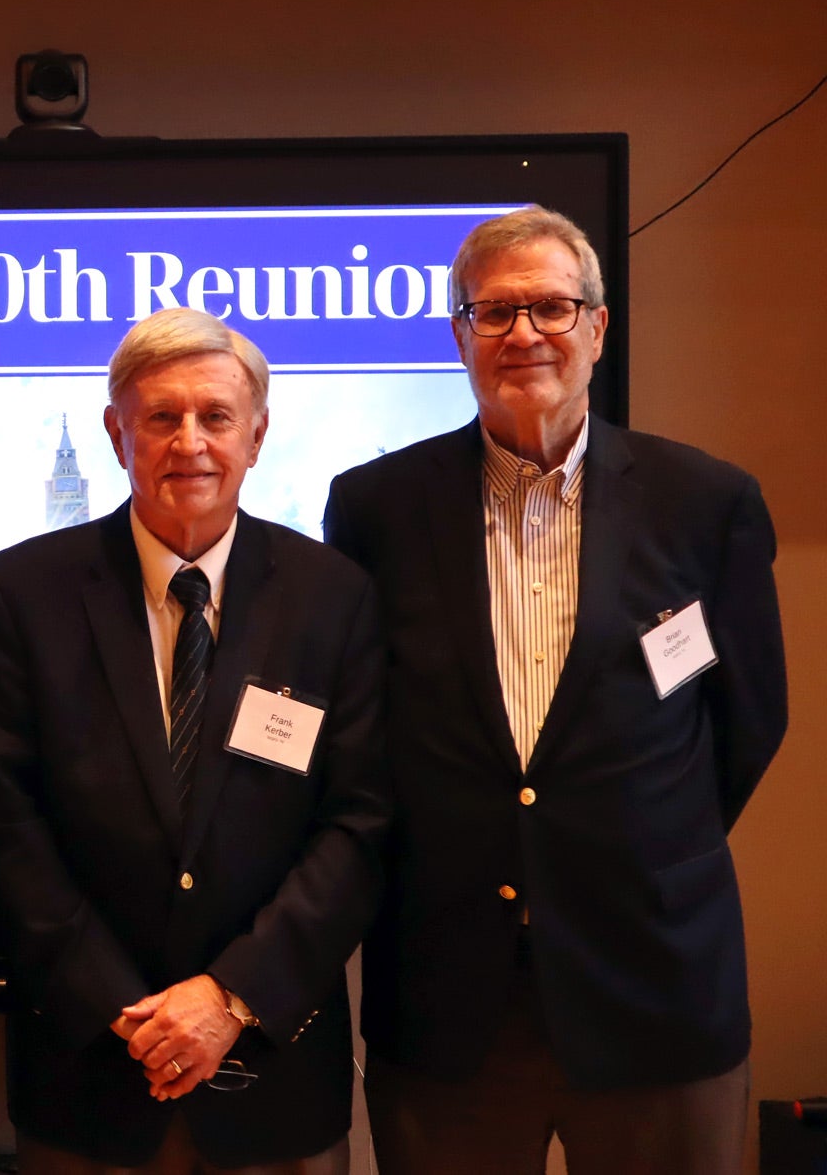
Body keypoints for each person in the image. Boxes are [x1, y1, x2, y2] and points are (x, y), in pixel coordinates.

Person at [323, 205, 786, 1175]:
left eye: (548, 306)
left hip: (654, 986)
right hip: (449, 998)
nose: (522, 333)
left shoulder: (705, 502)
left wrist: (637, 839)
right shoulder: (374, 510)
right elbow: (356, 731)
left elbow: (747, 721)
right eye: (491, 313)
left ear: (597, 326)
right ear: (457, 337)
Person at [0, 308, 390, 1175]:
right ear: (118, 434)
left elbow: (361, 821)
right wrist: (125, 1007)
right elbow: (2, 823)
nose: (188, 441)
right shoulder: (21, 593)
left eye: (216, 416)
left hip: (272, 1066)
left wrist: (231, 997)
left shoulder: (332, 595)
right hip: (89, 1070)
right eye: (161, 417)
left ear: (256, 436)